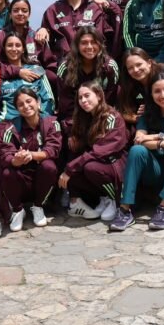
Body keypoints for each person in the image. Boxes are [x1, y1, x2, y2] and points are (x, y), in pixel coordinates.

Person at [110, 71, 164, 232]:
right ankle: (124, 209)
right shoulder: (148, 111)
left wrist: (157, 138)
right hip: (158, 170)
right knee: (137, 151)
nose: (163, 95)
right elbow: (139, 140)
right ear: (150, 94)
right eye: (157, 91)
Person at [0, 88, 62, 239]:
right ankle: (17, 210)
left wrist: (32, 155)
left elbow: (53, 149)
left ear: (38, 102)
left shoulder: (51, 122)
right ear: (17, 109)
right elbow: (5, 154)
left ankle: (38, 206)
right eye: (20, 104)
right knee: (7, 172)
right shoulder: (10, 127)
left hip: (41, 181)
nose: (26, 106)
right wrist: (16, 160)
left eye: (29, 101)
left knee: (49, 167)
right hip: (21, 180)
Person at [60, 81, 128, 221]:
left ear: (98, 96)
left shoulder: (111, 117)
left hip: (114, 165)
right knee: (73, 159)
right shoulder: (84, 117)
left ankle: (115, 199)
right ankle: (94, 199)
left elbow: (101, 150)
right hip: (99, 164)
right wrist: (72, 136)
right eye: (80, 98)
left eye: (87, 95)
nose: (83, 100)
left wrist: (70, 168)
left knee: (89, 167)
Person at [37, 0, 122, 63]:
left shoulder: (95, 8)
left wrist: (107, 3)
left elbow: (115, 20)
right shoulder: (52, 10)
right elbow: (46, 39)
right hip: (65, 65)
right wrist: (42, 29)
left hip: (93, 63)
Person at [55, 26, 119, 131]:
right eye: (84, 43)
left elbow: (110, 98)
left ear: (100, 44)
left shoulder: (110, 67)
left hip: (100, 116)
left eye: (93, 42)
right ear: (77, 46)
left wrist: (97, 120)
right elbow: (65, 101)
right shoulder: (65, 67)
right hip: (75, 117)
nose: (89, 46)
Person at [117, 48, 164, 133]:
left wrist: (152, 108)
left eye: (139, 64)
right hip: (146, 126)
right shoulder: (128, 83)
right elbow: (123, 112)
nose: (135, 70)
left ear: (149, 63)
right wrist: (140, 117)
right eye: (130, 68)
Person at [0, 32, 55, 123]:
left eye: (18, 45)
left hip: (35, 122)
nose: (14, 49)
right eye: (10, 45)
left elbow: (49, 99)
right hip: (7, 123)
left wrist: (41, 119)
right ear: (4, 49)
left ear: (23, 49)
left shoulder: (36, 70)